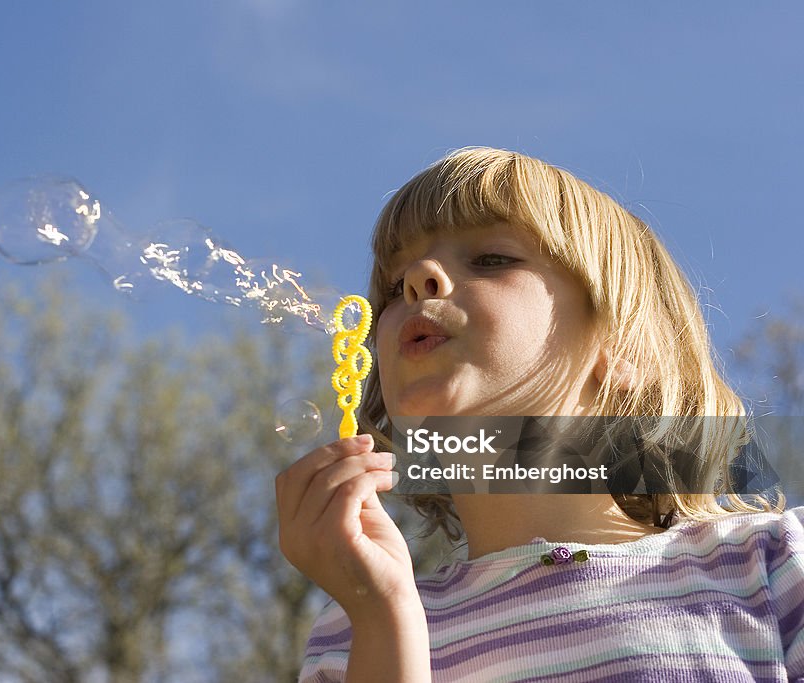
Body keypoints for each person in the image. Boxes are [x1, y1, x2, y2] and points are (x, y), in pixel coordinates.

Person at [275, 147, 804, 682]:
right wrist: (385, 617)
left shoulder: (772, 566)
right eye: (394, 287)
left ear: (626, 350)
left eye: (491, 259)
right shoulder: (352, 633)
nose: (419, 278)